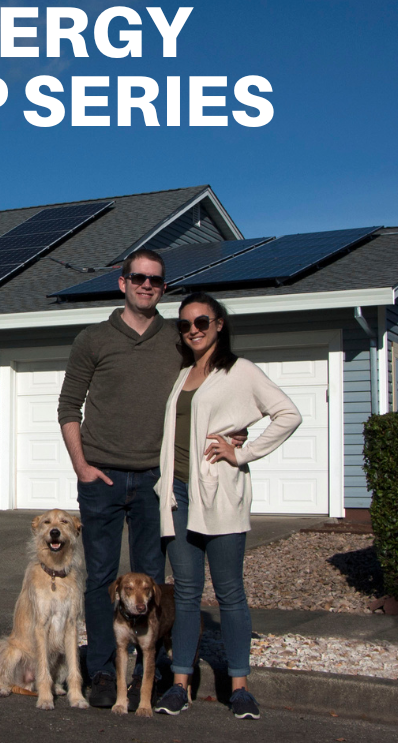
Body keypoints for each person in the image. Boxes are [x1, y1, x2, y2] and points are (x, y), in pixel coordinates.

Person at [57, 249, 247, 709]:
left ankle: (152, 669)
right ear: (122, 283)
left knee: (152, 581)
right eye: (138, 278)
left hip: (156, 481)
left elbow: (214, 379)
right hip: (100, 477)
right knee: (102, 576)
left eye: (156, 280)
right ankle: (103, 669)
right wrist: (82, 467)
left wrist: (236, 428)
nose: (147, 285)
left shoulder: (178, 338)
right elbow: (68, 407)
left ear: (164, 287)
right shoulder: (93, 339)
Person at [152, 292, 302, 720]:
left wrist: (242, 452)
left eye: (202, 321)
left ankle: (239, 687)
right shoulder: (183, 374)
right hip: (179, 495)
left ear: (219, 323)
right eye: (185, 324)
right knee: (184, 594)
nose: (193, 329)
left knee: (230, 592)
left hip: (219, 496)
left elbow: (287, 415)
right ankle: (180, 683)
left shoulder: (240, 372)